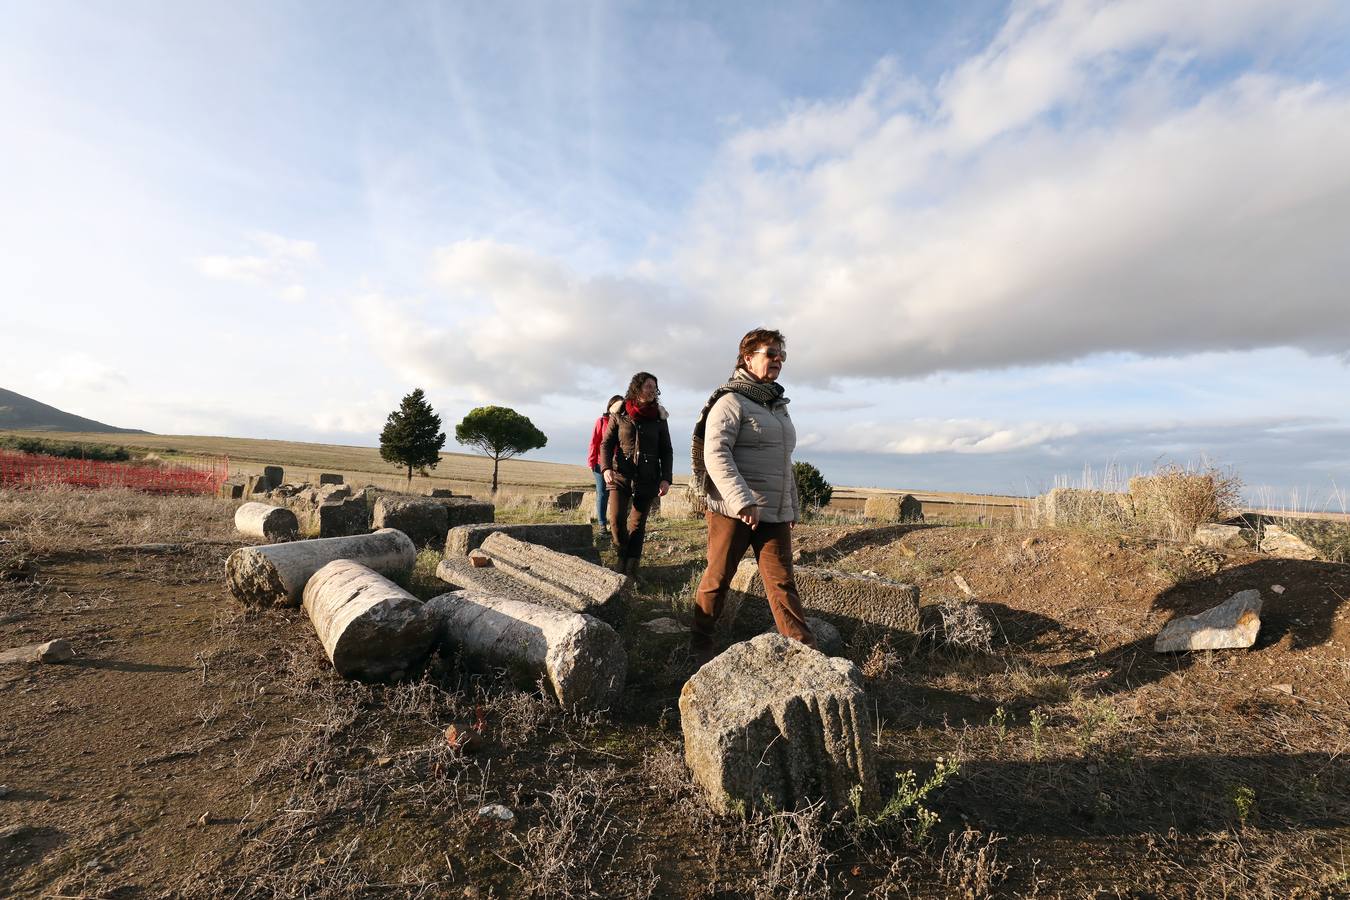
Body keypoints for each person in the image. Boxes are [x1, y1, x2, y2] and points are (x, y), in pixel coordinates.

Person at [689, 328, 815, 665]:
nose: (777, 361)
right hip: (733, 510)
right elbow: (715, 454)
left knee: (782, 583)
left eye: (781, 356)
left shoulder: (777, 405)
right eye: (770, 354)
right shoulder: (730, 400)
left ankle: (804, 651)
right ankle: (700, 643)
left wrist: (790, 505)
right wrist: (741, 500)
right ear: (748, 357)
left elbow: (783, 462)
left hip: (772, 512)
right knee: (718, 579)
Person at [601, 372, 672, 576]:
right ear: (637, 387)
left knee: (637, 525)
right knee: (615, 520)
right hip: (620, 475)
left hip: (648, 478)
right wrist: (606, 468)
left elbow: (666, 449)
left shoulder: (659, 418)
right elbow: (606, 444)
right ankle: (621, 553)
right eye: (648, 386)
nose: (652, 391)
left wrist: (666, 478)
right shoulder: (620, 413)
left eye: (654, 387)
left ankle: (630, 568)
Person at [587, 395, 623, 529]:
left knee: (617, 494)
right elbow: (594, 442)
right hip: (599, 463)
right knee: (602, 494)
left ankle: (617, 524)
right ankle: (602, 525)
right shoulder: (601, 421)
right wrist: (591, 462)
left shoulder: (624, 422)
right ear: (610, 407)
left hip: (618, 465)